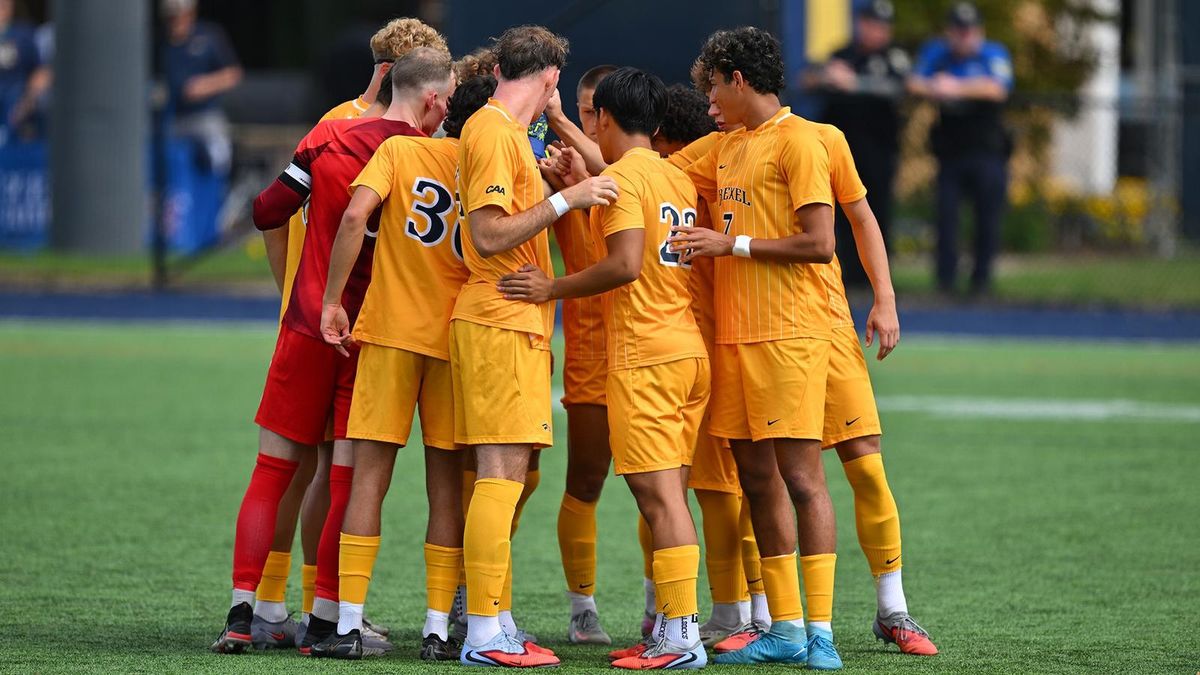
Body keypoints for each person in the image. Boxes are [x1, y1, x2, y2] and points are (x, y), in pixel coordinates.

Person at [209, 46, 441, 657]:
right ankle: (328, 620)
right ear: (433, 99)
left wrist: (294, 286)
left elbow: (267, 210)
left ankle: (242, 615)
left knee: (271, 473)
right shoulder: (429, 159)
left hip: (306, 326)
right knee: (345, 483)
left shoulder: (329, 138)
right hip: (368, 338)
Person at [500, 66, 710, 671]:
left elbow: (623, 266)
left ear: (607, 119)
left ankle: (680, 637)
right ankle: (675, 627)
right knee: (670, 496)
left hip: (647, 356)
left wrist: (551, 288)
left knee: (659, 497)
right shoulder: (672, 173)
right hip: (686, 348)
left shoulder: (622, 178)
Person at [668, 26, 843, 670]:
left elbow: (820, 242)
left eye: (713, 85)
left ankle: (821, 635)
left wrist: (728, 244)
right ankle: (787, 628)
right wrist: (570, 144)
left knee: (802, 479)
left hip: (790, 335)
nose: (709, 99)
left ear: (739, 79)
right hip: (735, 339)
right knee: (756, 480)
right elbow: (643, 172)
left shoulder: (800, 141)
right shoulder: (725, 145)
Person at [450, 24, 616, 668]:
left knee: (510, 477)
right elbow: (489, 236)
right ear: (550, 78)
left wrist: (553, 189)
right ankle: (487, 633)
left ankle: (492, 620)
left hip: (513, 321)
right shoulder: (493, 133)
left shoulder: (508, 136)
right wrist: (567, 199)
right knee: (499, 477)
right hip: (498, 317)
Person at [311, 49, 461, 661]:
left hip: (390, 330)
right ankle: (434, 628)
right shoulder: (479, 159)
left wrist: (329, 301)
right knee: (446, 485)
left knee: (369, 477)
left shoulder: (397, 151)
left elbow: (354, 216)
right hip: (454, 338)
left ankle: (347, 624)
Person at [541, 63, 617, 647]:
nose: (590, 122)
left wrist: (561, 119)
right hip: (592, 353)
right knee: (585, 479)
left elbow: (616, 170)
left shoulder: (646, 169)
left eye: (598, 112)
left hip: (658, 353)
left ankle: (659, 606)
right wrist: (563, 184)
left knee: (663, 487)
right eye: (583, 109)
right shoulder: (563, 175)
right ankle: (582, 606)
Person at [908, 1, 1013, 296]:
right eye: (958, 30)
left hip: (987, 152)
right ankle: (946, 283)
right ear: (949, 32)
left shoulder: (993, 53)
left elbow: (997, 88)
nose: (963, 36)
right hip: (951, 154)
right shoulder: (938, 54)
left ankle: (981, 283)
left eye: (968, 30)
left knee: (987, 220)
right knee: (946, 219)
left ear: (978, 31)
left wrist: (954, 87)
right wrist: (935, 87)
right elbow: (914, 83)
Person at [804, 0, 908, 288]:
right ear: (861, 24)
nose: (877, 31)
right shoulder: (843, 53)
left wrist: (855, 83)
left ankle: (875, 279)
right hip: (841, 150)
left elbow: (903, 87)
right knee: (836, 214)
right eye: (872, 24)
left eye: (883, 26)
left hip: (879, 149)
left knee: (875, 213)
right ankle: (842, 275)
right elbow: (809, 79)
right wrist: (827, 77)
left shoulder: (893, 57)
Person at [160, 0, 242, 177]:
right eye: (171, 17)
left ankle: (219, 196)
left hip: (205, 115)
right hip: (172, 117)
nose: (175, 21)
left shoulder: (209, 36)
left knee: (219, 155)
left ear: (190, 13)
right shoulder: (161, 43)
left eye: (179, 15)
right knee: (161, 155)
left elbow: (233, 74)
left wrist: (204, 85)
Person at [0, 0, 49, 145]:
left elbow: (41, 72)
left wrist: (29, 100)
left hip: (16, 99)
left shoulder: (23, 34)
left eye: (4, 4)